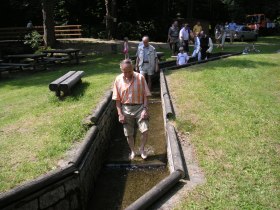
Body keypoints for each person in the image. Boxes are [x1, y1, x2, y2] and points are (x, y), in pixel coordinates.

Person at [112, 59, 151, 160]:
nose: (128, 73)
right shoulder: (117, 80)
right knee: (128, 133)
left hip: (140, 107)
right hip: (126, 108)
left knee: (145, 130)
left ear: (133, 68)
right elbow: (117, 100)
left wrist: (145, 109)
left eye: (130, 71)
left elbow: (146, 95)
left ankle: (142, 149)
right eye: (125, 71)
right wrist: (120, 114)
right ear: (121, 69)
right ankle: (133, 151)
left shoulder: (140, 77)